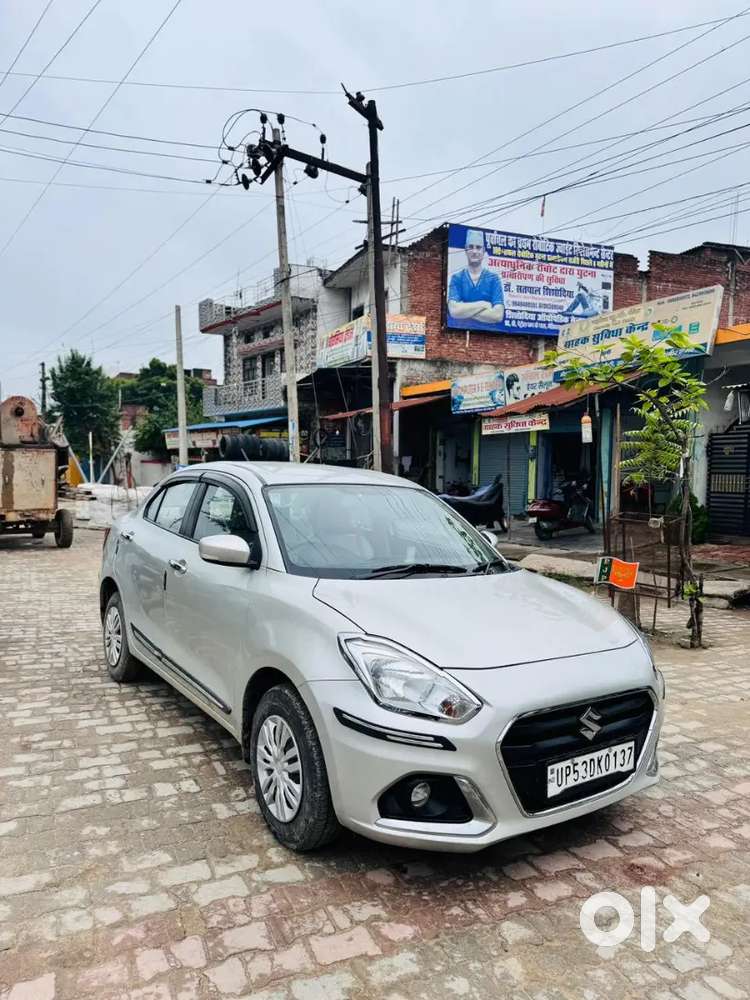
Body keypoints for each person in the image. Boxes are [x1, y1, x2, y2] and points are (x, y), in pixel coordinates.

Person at [447, 229, 505, 329]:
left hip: (490, 335)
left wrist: (464, 310)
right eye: (471, 247)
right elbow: (453, 311)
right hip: (460, 332)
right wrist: (483, 304)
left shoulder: (493, 279)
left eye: (478, 248)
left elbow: (498, 315)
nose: (474, 251)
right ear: (465, 250)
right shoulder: (457, 278)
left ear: (483, 251)